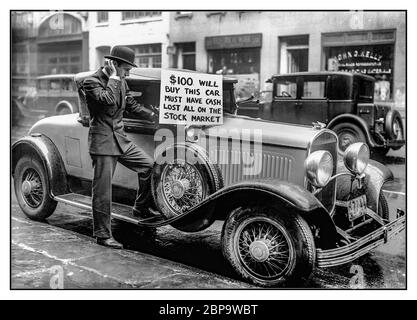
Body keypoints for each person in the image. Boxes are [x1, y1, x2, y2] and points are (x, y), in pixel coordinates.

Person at [83, 46, 158, 249]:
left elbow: (130, 104)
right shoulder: (91, 82)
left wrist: (152, 115)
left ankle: (141, 207)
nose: (128, 73)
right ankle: (102, 235)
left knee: (150, 167)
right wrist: (115, 78)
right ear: (114, 65)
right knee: (103, 192)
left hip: (120, 139)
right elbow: (107, 101)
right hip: (103, 143)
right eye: (126, 69)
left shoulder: (121, 81)